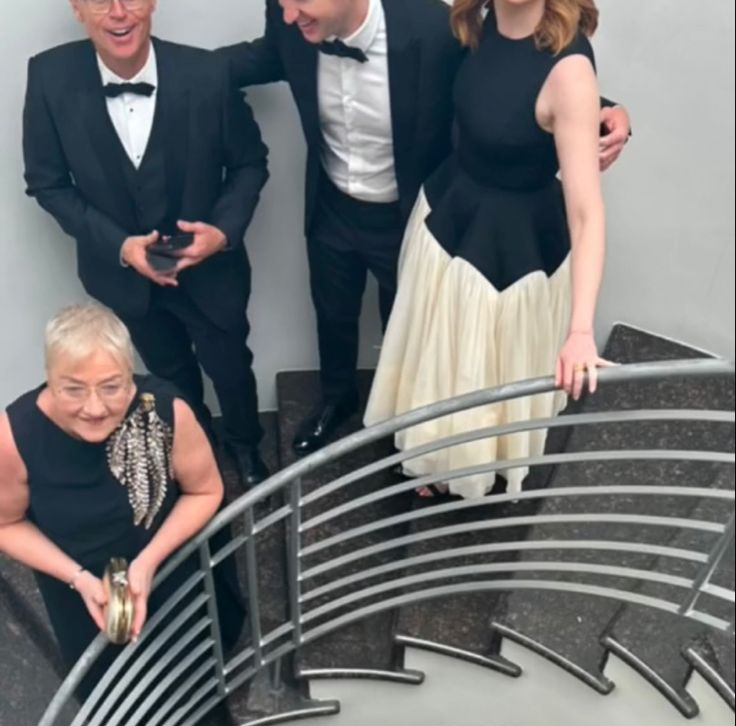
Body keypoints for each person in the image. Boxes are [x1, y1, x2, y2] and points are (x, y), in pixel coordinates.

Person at [221, 0, 630, 457]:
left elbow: (537, 80)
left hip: (409, 216)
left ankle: (411, 434)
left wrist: (601, 107)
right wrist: (159, 65)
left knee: (417, 336)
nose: (291, 14)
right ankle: (337, 400)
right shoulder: (294, 21)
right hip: (333, 207)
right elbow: (500, 72)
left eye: (301, 3)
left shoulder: (432, 25)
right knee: (332, 313)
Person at [365, 0, 611, 500]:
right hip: (449, 218)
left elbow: (587, 213)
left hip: (511, 251)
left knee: (482, 367)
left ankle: (470, 468)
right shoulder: (474, 22)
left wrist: (580, 330)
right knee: (440, 357)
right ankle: (432, 456)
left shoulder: (570, 69)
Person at [23, 0, 270, 491]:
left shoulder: (208, 73)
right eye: (100, 1)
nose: (119, 13)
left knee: (231, 367)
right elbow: (47, 184)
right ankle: (197, 451)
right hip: (125, 281)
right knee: (168, 374)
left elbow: (249, 163)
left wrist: (221, 233)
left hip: (211, 273)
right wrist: (120, 246)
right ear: (78, 9)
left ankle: (245, 444)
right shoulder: (48, 75)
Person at [0, 304, 245, 681]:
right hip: (78, 589)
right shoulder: (15, 435)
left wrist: (147, 563)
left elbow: (205, 492)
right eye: (73, 390)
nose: (95, 408)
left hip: (171, 571)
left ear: (131, 376)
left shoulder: (167, 410)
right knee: (108, 680)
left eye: (112, 387)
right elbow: (6, 524)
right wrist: (79, 578)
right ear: (49, 378)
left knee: (190, 664)